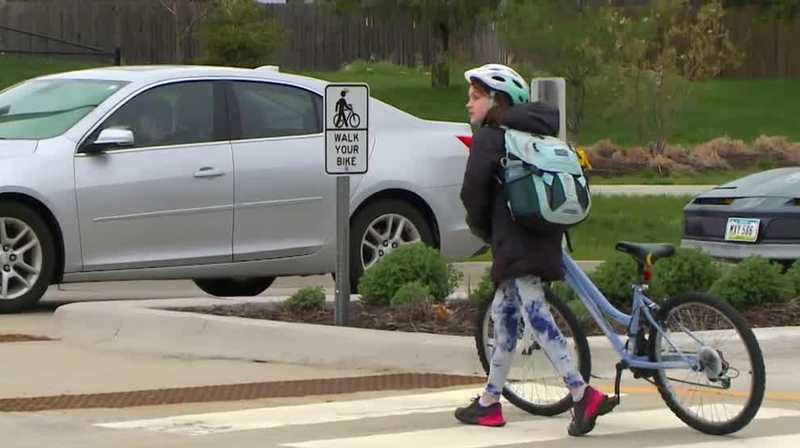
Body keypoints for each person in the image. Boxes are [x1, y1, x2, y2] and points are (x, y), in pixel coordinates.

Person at [456, 64, 615, 436]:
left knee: (535, 312)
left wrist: (481, 229)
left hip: (513, 239)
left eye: (475, 97)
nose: (468, 104)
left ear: (497, 100)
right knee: (504, 314)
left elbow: (473, 193)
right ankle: (490, 403)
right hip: (543, 232)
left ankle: (581, 393)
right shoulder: (537, 132)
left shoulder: (491, 137)